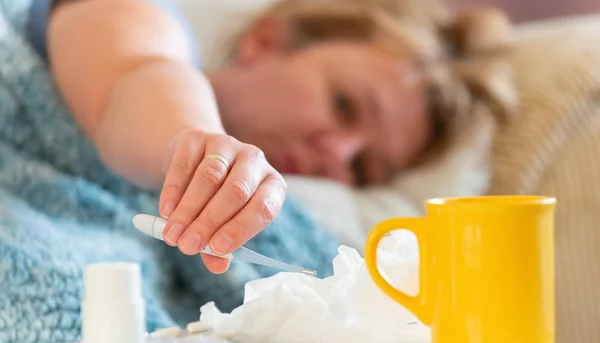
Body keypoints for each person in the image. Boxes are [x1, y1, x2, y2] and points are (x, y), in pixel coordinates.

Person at [27, 0, 514, 273]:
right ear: (265, 41)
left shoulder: (297, 239)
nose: (337, 154)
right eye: (344, 104)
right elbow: (135, 77)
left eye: (363, 167)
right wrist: (195, 145)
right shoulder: (142, 22)